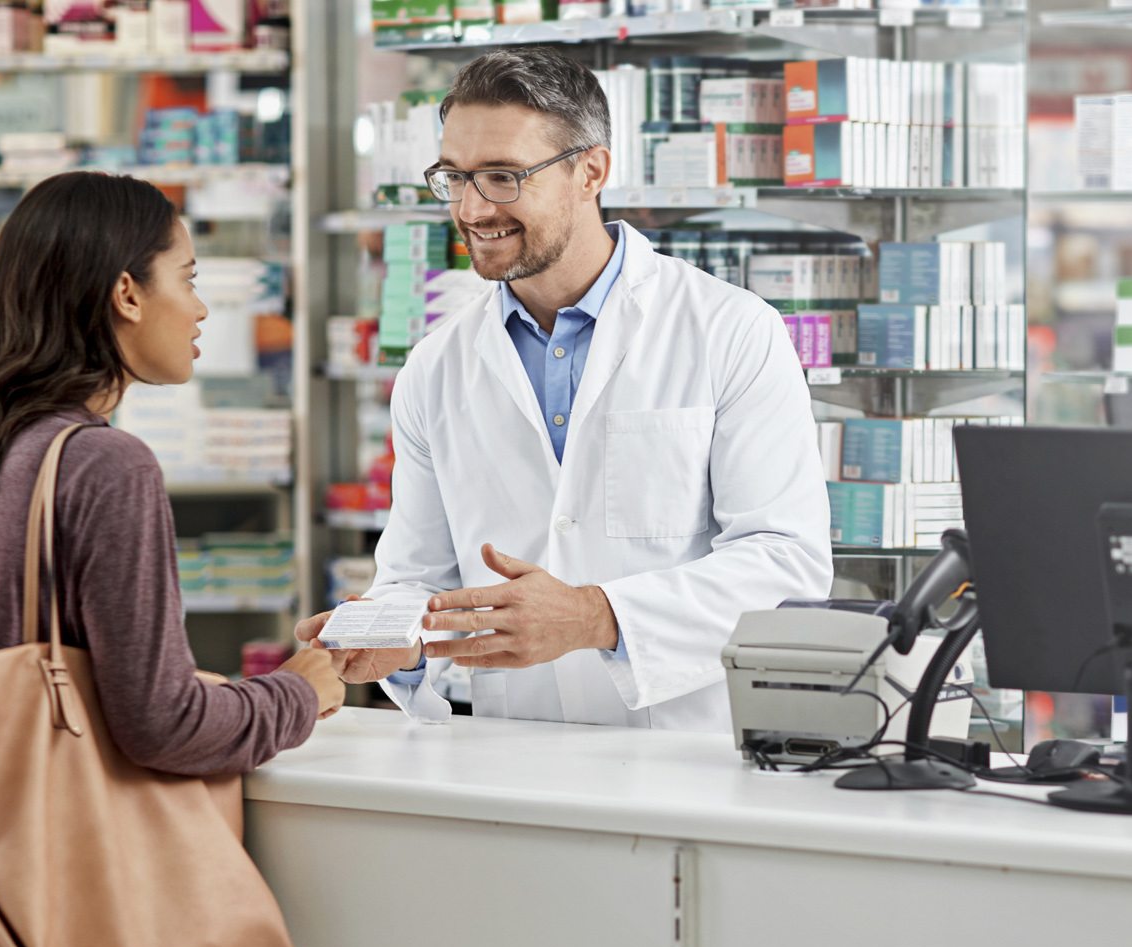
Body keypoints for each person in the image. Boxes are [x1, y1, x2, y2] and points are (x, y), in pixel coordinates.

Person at [296, 47, 831, 731]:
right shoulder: (436, 367)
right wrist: (395, 634)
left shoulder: (730, 331)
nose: (472, 207)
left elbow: (786, 564)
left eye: (502, 176)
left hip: (690, 759)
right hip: (517, 756)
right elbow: (417, 574)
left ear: (591, 171)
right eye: (454, 177)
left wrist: (595, 618)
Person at [0, 172, 344, 947]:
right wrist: (301, 692)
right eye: (190, 278)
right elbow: (159, 726)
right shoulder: (103, 467)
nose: (201, 309)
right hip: (81, 913)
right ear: (126, 292)